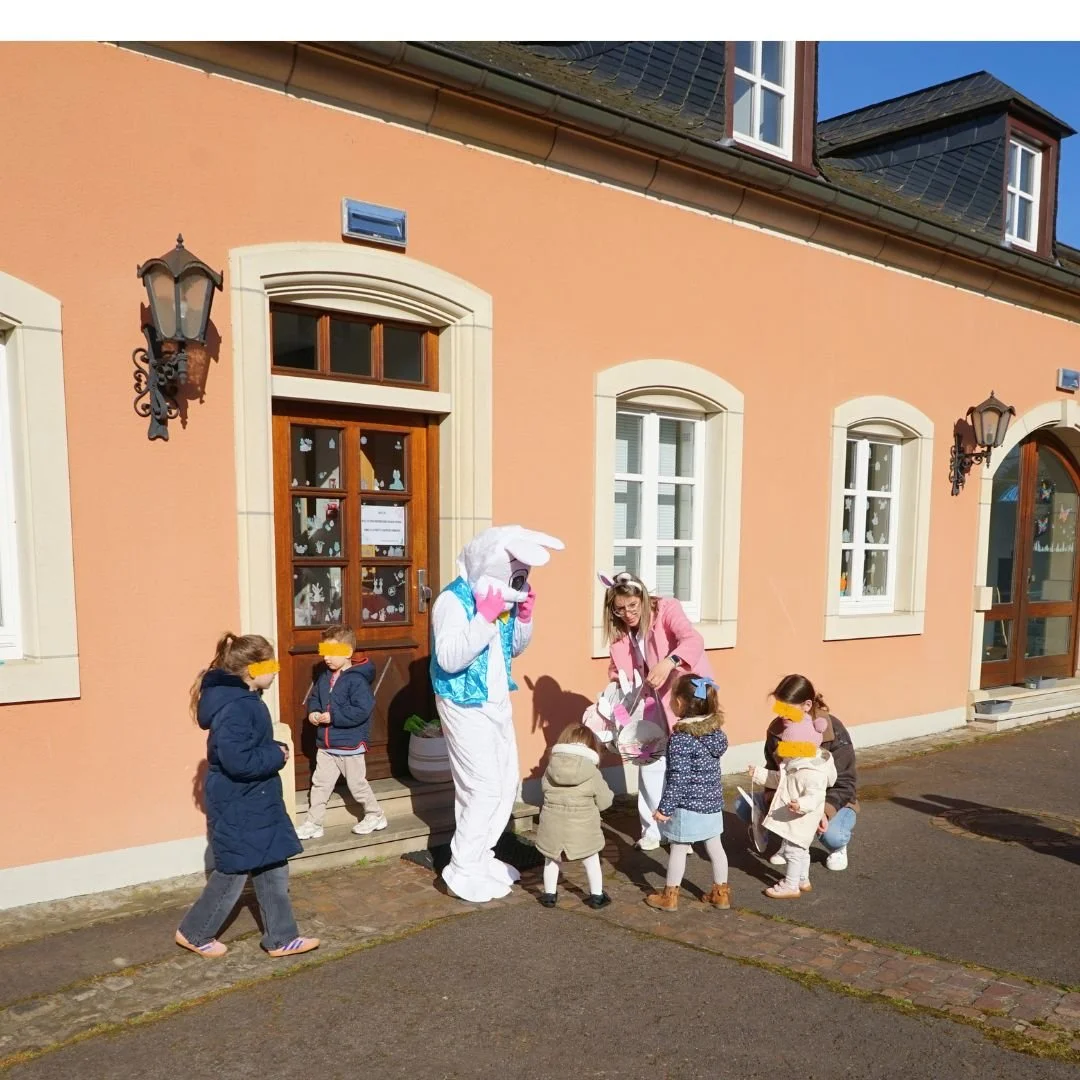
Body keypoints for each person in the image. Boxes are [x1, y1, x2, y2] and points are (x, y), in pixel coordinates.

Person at [430, 525, 564, 903]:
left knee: (505, 781)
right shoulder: (453, 602)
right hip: (463, 703)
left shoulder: (498, 602)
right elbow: (450, 657)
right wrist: (484, 617)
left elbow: (513, 649)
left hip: (496, 700)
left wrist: (523, 617)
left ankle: (480, 855)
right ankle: (462, 865)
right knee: (482, 785)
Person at [177, 632, 319, 959]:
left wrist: (271, 752)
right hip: (241, 800)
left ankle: (281, 938)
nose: (277, 671)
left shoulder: (244, 701)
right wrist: (277, 755)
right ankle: (194, 932)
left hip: (255, 799)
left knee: (272, 864)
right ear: (253, 670)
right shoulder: (238, 707)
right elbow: (237, 759)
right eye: (272, 664)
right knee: (235, 870)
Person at [601, 572, 713, 851]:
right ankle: (652, 829)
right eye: (619, 608)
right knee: (648, 758)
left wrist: (669, 661)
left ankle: (683, 828)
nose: (626, 614)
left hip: (691, 693)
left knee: (686, 761)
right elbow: (620, 674)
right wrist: (615, 704)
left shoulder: (666, 608)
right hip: (650, 701)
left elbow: (693, 640)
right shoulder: (620, 633)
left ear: (643, 598)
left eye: (632, 606)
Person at [737, 680, 858, 871]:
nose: (781, 713)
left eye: (787, 708)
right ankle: (786, 840)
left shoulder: (832, 728)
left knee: (833, 835)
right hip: (792, 794)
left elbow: (846, 781)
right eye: (778, 706)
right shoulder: (776, 729)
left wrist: (824, 810)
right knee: (744, 806)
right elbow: (774, 769)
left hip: (827, 798)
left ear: (807, 705)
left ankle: (839, 847)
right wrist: (769, 796)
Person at [645, 674, 730, 912]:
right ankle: (721, 894)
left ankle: (670, 896)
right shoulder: (715, 734)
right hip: (712, 804)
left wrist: (665, 809)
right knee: (716, 848)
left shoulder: (682, 739)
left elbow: (678, 779)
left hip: (687, 806)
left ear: (680, 703)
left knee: (678, 849)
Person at [748, 674, 838, 900]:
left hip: (801, 815)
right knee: (801, 850)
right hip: (794, 813)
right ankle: (803, 879)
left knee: (793, 850)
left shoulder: (812, 770)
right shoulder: (794, 762)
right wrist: (759, 774)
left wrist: (806, 805)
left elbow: (817, 795)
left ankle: (790, 885)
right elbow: (779, 779)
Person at [295, 625, 387, 840]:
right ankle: (313, 822)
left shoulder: (356, 680)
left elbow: (361, 710)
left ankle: (375, 814)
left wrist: (334, 717)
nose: (326, 658)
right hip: (326, 745)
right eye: (323, 652)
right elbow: (315, 698)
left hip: (350, 745)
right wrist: (314, 712)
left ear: (347, 652)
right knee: (320, 784)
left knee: (357, 784)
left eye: (332, 653)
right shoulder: (325, 677)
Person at [534, 724, 614, 910]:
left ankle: (549, 895)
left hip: (552, 825)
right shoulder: (592, 772)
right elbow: (605, 801)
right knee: (591, 859)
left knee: (551, 858)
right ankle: (597, 896)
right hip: (583, 828)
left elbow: (544, 790)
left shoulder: (550, 768)